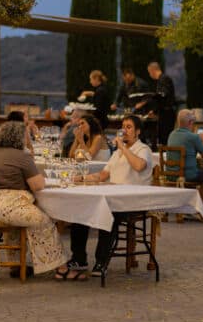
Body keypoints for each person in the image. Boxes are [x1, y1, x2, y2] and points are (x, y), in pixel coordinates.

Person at [66, 115, 154, 278]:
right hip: (113, 197)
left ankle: (101, 261)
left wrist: (122, 147)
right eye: (123, 127)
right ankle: (79, 258)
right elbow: (103, 174)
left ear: (138, 132)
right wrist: (81, 179)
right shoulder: (117, 153)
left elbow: (139, 166)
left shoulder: (143, 150)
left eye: (129, 127)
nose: (124, 131)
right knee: (81, 211)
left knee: (108, 214)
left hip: (133, 201)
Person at [0, 121, 70, 278]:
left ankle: (16, 265)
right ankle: (61, 268)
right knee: (44, 221)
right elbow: (37, 185)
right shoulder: (22, 155)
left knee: (15, 225)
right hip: (10, 206)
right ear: (20, 137)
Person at [165, 109, 203, 215]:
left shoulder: (172, 134)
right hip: (188, 174)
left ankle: (193, 207)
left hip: (171, 174)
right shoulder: (193, 137)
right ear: (190, 123)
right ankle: (199, 211)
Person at [137, 61, 175, 148]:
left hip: (167, 113)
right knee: (162, 137)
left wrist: (149, 101)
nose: (150, 75)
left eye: (149, 72)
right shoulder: (161, 80)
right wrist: (154, 110)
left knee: (165, 137)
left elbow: (163, 96)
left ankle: (165, 156)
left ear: (152, 70)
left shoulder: (164, 79)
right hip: (163, 112)